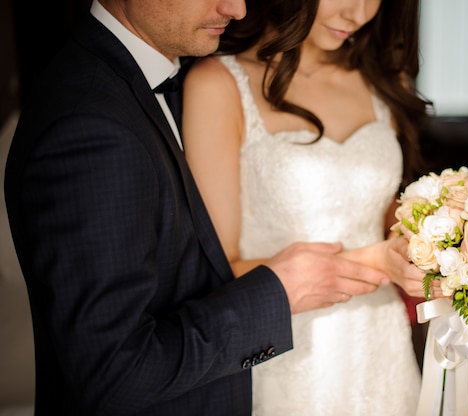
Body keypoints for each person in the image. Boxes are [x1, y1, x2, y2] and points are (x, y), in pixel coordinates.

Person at [2, 1, 407, 414]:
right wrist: (279, 291)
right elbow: (114, 373)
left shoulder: (139, 81)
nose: (237, 7)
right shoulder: (92, 125)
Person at [182, 0, 435, 414]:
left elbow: (381, 206)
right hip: (284, 347)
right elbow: (221, 267)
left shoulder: (385, 82)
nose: (359, 14)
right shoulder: (218, 84)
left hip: (379, 341)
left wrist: (431, 236)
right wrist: (379, 262)